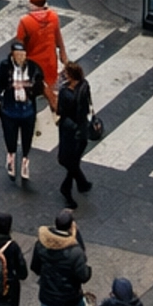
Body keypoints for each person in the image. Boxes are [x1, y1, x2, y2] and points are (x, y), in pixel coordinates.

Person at [0, 41, 40, 184]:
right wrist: (3, 98)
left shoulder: (33, 67)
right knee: (10, 137)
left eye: (23, 54)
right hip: (9, 110)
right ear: (13, 55)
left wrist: (28, 86)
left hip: (27, 111)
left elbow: (39, 85)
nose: (21, 57)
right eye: (18, 54)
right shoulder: (5, 66)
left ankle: (25, 162)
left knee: (27, 138)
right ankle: (11, 158)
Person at [56, 61, 94, 206]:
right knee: (74, 159)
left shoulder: (65, 93)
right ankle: (82, 182)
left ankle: (66, 188)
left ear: (70, 76)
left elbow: (60, 111)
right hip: (82, 129)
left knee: (68, 160)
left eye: (65, 73)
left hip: (69, 130)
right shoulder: (85, 85)